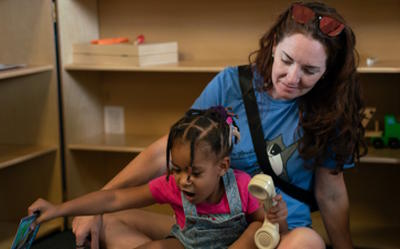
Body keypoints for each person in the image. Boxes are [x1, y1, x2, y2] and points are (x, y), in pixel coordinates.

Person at [72, 2, 366, 249]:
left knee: (307, 242)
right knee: (110, 221)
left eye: (309, 70)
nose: (292, 77)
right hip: (208, 228)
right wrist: (94, 206)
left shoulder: (331, 112)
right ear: (275, 45)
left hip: (273, 235)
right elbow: (168, 149)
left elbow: (331, 194)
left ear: (327, 72)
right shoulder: (230, 84)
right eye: (287, 60)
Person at [29, 106, 289, 249]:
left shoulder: (243, 186)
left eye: (195, 172)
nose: (183, 179)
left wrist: (276, 219)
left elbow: (269, 232)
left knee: (256, 228)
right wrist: (58, 210)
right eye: (177, 169)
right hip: (186, 245)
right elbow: (113, 199)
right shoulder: (172, 185)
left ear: (223, 166)